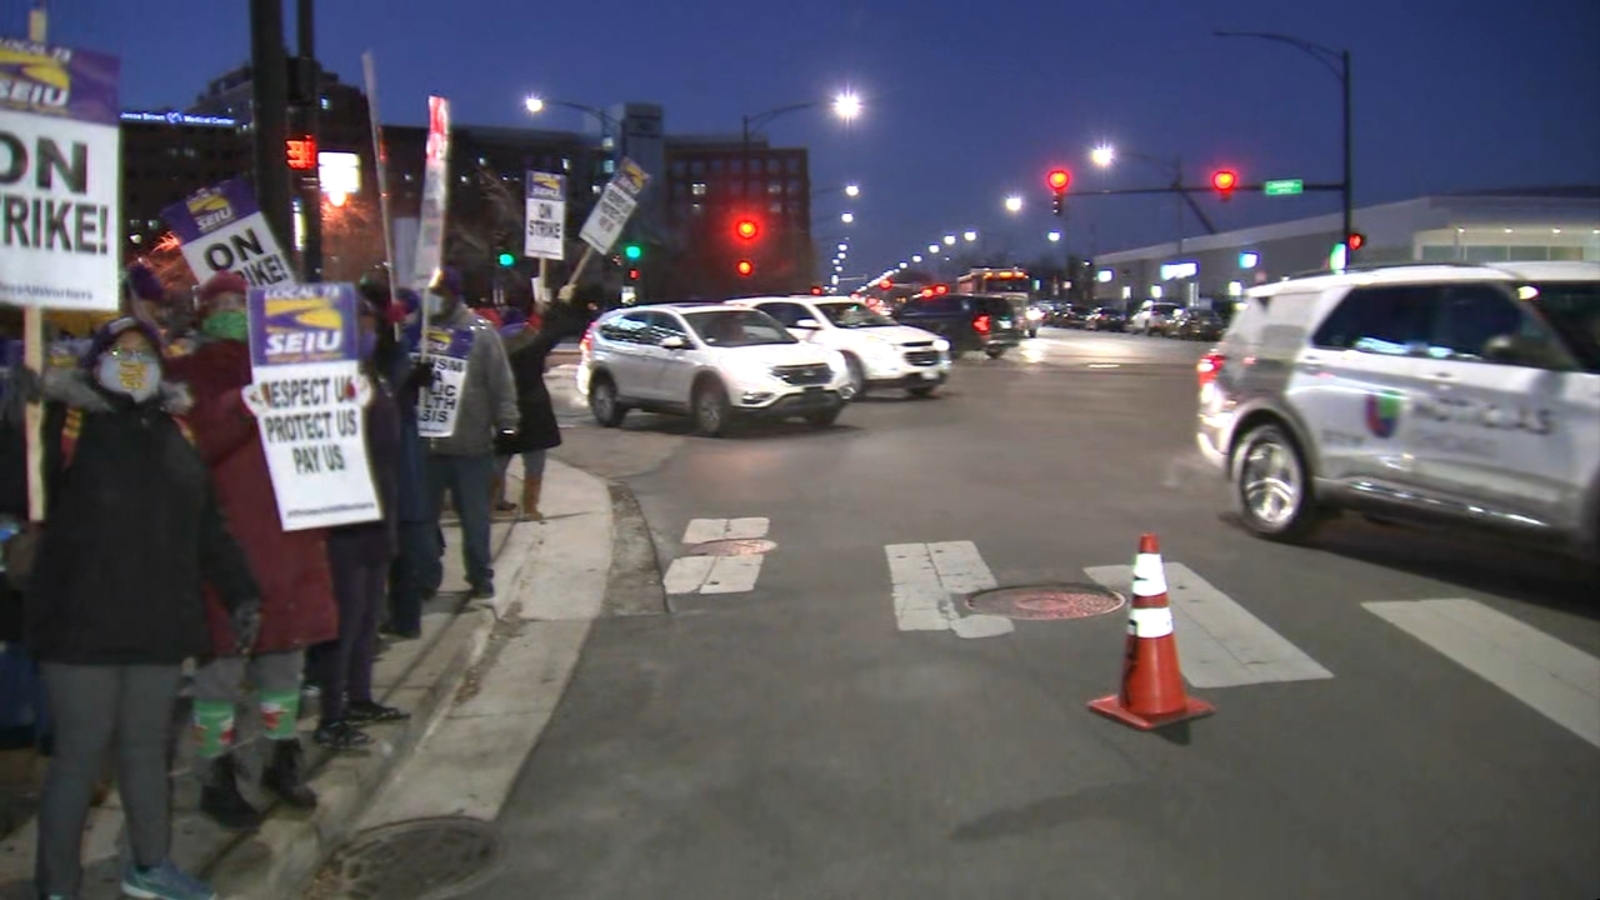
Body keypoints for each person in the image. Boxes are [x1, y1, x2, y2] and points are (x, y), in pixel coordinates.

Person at [25, 317, 259, 900]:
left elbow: (208, 526)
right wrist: (19, 413)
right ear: (96, 363)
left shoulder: (176, 430)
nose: (133, 362)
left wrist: (240, 591)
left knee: (146, 753)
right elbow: (24, 486)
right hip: (80, 627)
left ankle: (150, 867)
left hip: (157, 623)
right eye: (120, 352)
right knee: (79, 760)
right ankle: (57, 886)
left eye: (144, 353)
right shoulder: (65, 423)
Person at [166, 271, 336, 830]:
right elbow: (192, 445)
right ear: (203, 312)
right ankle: (215, 777)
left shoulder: (288, 365)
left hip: (291, 539)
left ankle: (280, 761)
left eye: (241, 303)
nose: (232, 312)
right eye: (221, 303)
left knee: (284, 665)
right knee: (220, 673)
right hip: (226, 549)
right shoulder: (184, 375)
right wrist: (242, 405)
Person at [307, 300, 408, 750]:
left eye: (370, 326)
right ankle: (332, 713)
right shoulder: (329, 380)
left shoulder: (375, 375)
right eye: (358, 327)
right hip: (345, 515)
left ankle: (360, 695)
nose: (367, 334)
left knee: (368, 615)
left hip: (379, 509)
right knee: (344, 620)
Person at [412, 267, 518, 600]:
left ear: (453, 295)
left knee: (475, 520)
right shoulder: (416, 332)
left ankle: (479, 575)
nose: (433, 299)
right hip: (426, 447)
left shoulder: (480, 333)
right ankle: (426, 577)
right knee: (422, 521)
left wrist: (507, 424)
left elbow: (500, 383)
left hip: (471, 446)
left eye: (439, 293)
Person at [493, 297, 588, 520]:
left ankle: (494, 502)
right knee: (534, 463)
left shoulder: (495, 347)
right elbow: (559, 330)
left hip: (505, 409)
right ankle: (530, 507)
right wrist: (560, 305)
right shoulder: (533, 345)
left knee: (498, 461)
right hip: (534, 409)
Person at [382, 288, 437, 640]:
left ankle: (407, 613)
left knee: (408, 539)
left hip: (402, 462)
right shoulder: (383, 354)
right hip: (392, 463)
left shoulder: (398, 350)